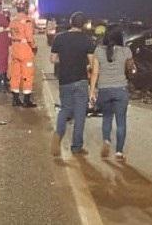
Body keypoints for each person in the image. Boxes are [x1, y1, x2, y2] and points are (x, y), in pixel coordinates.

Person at [50, 11, 97, 156]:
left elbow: (53, 59)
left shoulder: (59, 38)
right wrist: (93, 87)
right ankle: (76, 147)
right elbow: (92, 63)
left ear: (70, 22)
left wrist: (64, 60)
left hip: (65, 80)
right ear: (83, 25)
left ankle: (58, 134)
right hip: (81, 80)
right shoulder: (87, 40)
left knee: (65, 109)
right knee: (80, 114)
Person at [90, 25, 136, 161]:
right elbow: (132, 70)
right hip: (120, 90)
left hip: (104, 90)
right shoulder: (126, 51)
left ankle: (106, 141)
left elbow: (95, 73)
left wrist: (92, 91)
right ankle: (119, 153)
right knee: (121, 122)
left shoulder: (98, 50)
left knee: (107, 118)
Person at [8, 0, 38, 108]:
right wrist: (34, 47)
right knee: (27, 75)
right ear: (25, 8)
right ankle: (26, 100)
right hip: (25, 50)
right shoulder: (27, 21)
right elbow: (30, 38)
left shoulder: (13, 20)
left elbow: (10, 34)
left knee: (15, 74)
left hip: (15, 49)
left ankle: (15, 99)